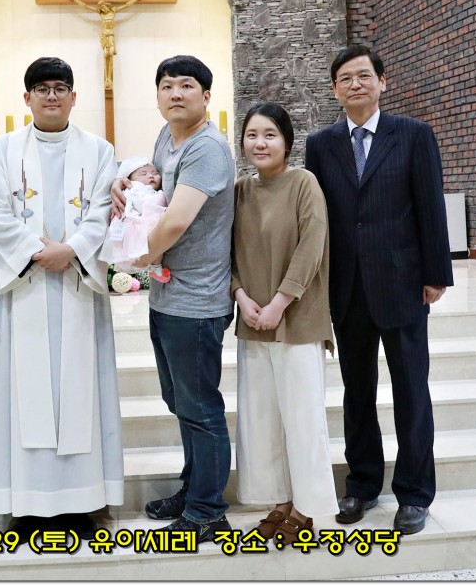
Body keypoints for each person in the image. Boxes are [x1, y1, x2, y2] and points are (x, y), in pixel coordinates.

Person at [304, 45, 454, 535]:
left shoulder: (413, 135)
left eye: (364, 76)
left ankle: (415, 493)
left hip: (402, 282)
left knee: (412, 390)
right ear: (335, 90)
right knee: (357, 391)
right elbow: (318, 218)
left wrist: (436, 274)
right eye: (345, 78)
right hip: (347, 287)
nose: (356, 84)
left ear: (382, 82)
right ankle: (363, 485)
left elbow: (430, 205)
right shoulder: (320, 145)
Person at [0, 56, 123, 539]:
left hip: (79, 290)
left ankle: (83, 500)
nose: (52, 95)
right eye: (42, 88)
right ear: (27, 98)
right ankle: (28, 503)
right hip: (26, 291)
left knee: (81, 393)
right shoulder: (2, 151)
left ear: (74, 97)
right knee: (26, 399)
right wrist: (38, 253)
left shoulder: (99, 151)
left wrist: (73, 250)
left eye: (61, 87)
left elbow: (104, 211)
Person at [113, 54, 235, 543]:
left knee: (200, 407)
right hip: (168, 295)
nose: (176, 93)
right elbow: (156, 185)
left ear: (206, 96)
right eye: (167, 86)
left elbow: (178, 219)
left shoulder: (207, 148)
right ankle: (194, 488)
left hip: (197, 300)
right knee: (180, 401)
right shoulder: (168, 136)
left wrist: (135, 259)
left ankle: (208, 510)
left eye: (186, 85)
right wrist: (124, 183)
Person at [231, 102, 339, 544]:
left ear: (287, 142)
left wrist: (279, 302)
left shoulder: (303, 183)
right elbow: (227, 252)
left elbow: (312, 246)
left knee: (302, 418)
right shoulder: (240, 190)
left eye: (269, 134)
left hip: (295, 319)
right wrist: (240, 296)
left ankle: (307, 508)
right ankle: (279, 501)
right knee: (263, 420)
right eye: (252, 135)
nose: (260, 143)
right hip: (253, 320)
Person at [99, 156, 170, 282]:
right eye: (143, 174)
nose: (151, 176)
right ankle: (156, 267)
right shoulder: (135, 188)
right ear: (129, 179)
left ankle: (156, 267)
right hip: (135, 225)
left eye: (155, 173)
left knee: (157, 244)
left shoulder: (148, 190)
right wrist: (161, 197)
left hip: (143, 222)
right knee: (154, 243)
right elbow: (143, 204)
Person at [67, 0, 144, 90]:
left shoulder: (113, 11)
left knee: (110, 55)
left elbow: (126, 5)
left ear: (106, 6)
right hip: (104, 36)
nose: (102, 9)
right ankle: (107, 78)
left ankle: (109, 78)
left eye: (103, 7)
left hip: (111, 35)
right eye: (101, 8)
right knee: (106, 56)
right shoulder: (101, 14)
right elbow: (86, 6)